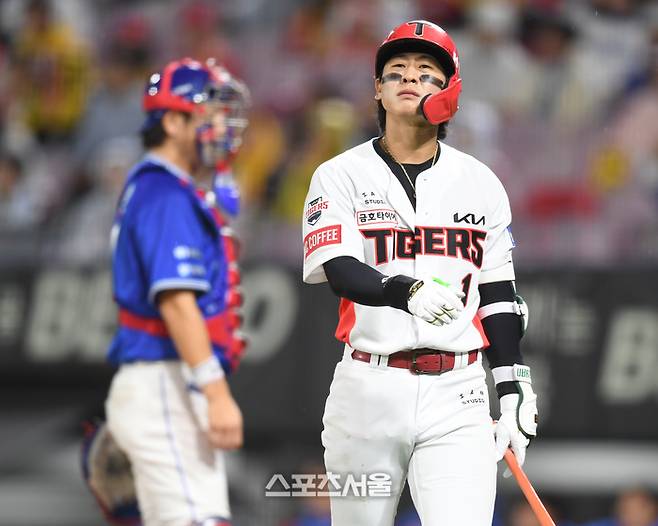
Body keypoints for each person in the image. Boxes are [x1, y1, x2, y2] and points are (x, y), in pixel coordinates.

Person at [301, 20, 538, 525]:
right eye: (396, 71)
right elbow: (341, 270)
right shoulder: (339, 174)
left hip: (459, 391)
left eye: (427, 71)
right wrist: (403, 289)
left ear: (451, 92)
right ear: (378, 91)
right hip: (369, 384)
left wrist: (513, 382)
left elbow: (497, 292)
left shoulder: (482, 183)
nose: (409, 77)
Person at [103, 57, 249, 526]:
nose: (221, 125)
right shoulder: (164, 194)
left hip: (164, 380)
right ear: (171, 120)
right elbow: (177, 304)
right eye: (210, 113)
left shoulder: (164, 189)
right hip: (163, 381)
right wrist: (216, 391)